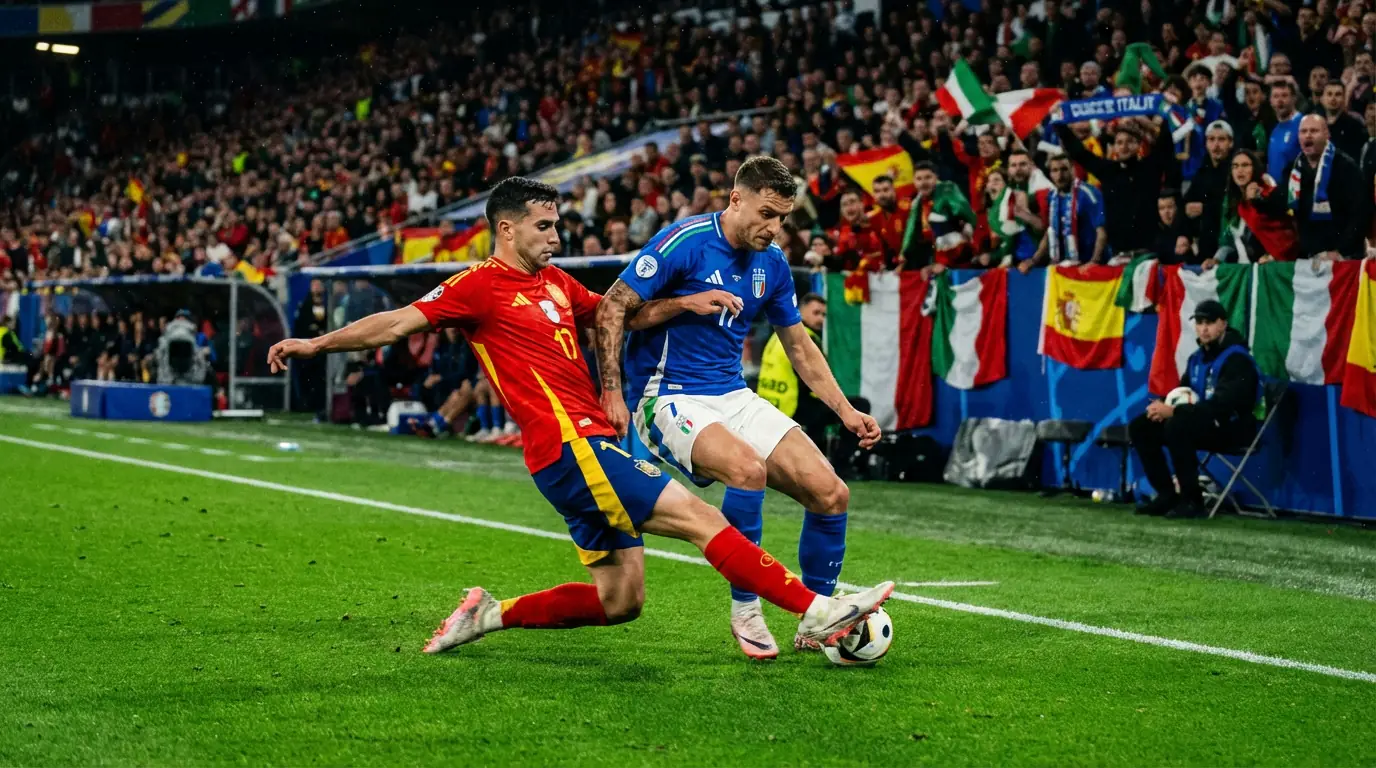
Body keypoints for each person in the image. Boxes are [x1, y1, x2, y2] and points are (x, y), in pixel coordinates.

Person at [266, 177, 893, 655]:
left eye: (558, 225)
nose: (555, 236)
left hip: (577, 450)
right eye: (543, 226)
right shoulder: (478, 285)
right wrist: (317, 344)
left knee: (621, 601)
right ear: (507, 230)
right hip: (571, 445)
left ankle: (489, 613)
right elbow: (396, 323)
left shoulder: (560, 285)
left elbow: (625, 313)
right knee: (704, 517)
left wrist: (686, 302)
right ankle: (814, 611)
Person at [595, 157, 883, 660]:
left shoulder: (771, 263)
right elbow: (614, 307)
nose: (774, 228)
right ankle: (746, 609)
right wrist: (614, 390)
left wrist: (844, 411)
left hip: (731, 395)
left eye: (783, 219)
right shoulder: (683, 242)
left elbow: (799, 344)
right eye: (767, 214)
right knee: (747, 470)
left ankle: (816, 618)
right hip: (667, 395)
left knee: (832, 493)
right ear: (736, 199)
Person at [1128, 299, 1261, 519]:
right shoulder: (1196, 359)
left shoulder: (1238, 360)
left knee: (1178, 426)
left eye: (1210, 322)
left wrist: (1176, 413)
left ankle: (1192, 501)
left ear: (1223, 324)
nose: (1204, 328)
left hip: (1233, 428)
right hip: (1202, 422)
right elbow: (1183, 392)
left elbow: (1222, 405)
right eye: (1199, 322)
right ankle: (1166, 494)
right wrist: (1163, 405)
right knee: (1142, 426)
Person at [1056, 117, 1175, 255]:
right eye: (1119, 142)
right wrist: (1059, 123)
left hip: (1149, 253)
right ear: (1114, 147)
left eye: (1130, 142)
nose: (1124, 146)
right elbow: (1079, 153)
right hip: (1117, 253)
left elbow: (1165, 145)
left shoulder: (1150, 167)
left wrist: (1165, 113)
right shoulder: (1108, 170)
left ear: (1139, 146)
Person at [1288, 115, 1370, 260]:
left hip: (1343, 258)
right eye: (1303, 131)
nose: (1308, 135)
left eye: (1314, 131)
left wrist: (1342, 251)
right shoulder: (1294, 169)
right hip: (1309, 257)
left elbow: (1360, 213)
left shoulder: (1345, 167)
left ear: (1327, 135)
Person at [1211, 149, 1298, 265]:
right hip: (1258, 265)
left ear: (1255, 169)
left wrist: (1273, 256)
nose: (1240, 170)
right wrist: (1216, 259)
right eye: (1235, 166)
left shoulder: (1270, 193)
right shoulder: (1239, 205)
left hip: (1286, 263)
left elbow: (1291, 232)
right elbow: (1230, 240)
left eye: (1245, 165)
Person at [1025, 155, 1107, 272]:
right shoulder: (1052, 197)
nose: (1060, 175)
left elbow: (1101, 231)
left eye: (1064, 169)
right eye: (1055, 170)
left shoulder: (1089, 193)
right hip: (1065, 266)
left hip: (1088, 266)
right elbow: (1050, 232)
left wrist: (1094, 261)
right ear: (1050, 174)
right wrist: (1033, 260)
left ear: (1072, 170)